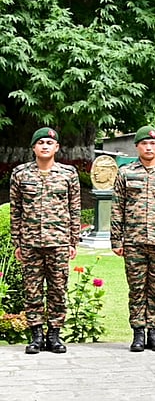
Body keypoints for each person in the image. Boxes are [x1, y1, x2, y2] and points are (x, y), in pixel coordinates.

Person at [110, 126, 155, 352]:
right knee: (137, 288)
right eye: (144, 144)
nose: (148, 147)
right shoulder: (126, 173)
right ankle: (138, 333)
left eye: (152, 144)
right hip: (134, 240)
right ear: (137, 147)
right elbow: (117, 207)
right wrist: (116, 240)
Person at [10, 126, 80, 355]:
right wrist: (17, 243)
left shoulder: (68, 174)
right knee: (32, 290)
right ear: (33, 147)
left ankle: (54, 335)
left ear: (56, 147)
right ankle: (36, 335)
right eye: (40, 143)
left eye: (49, 143)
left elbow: (75, 209)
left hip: (59, 242)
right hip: (30, 243)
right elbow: (16, 211)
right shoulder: (20, 174)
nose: (45, 146)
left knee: (58, 289)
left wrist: (73, 241)